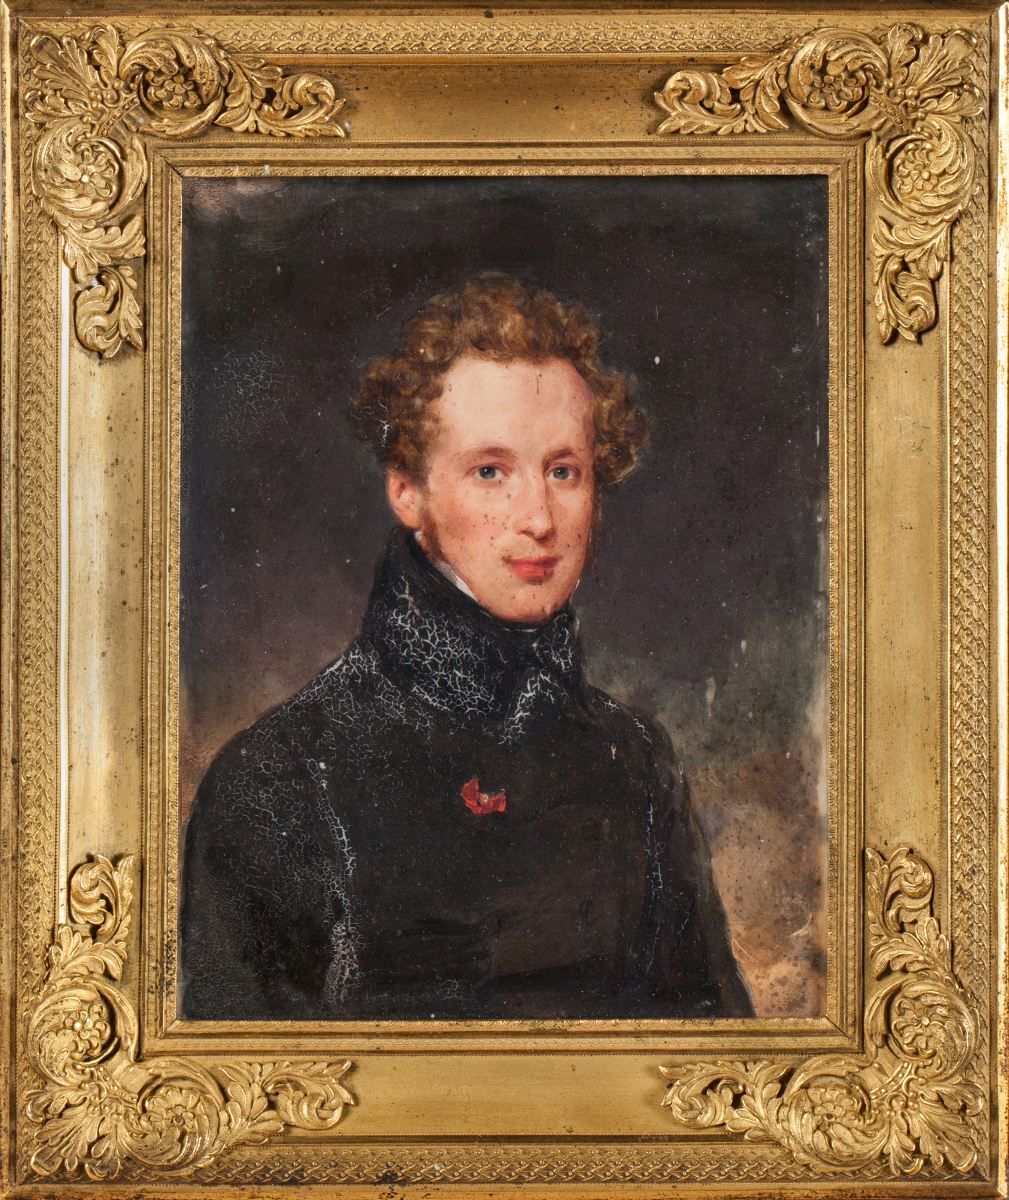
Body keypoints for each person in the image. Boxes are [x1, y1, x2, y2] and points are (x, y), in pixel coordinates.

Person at [180, 273, 753, 1021]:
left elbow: (715, 1058)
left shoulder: (636, 761)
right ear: (407, 491)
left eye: (563, 471)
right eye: (490, 472)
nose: (538, 518)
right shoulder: (277, 778)